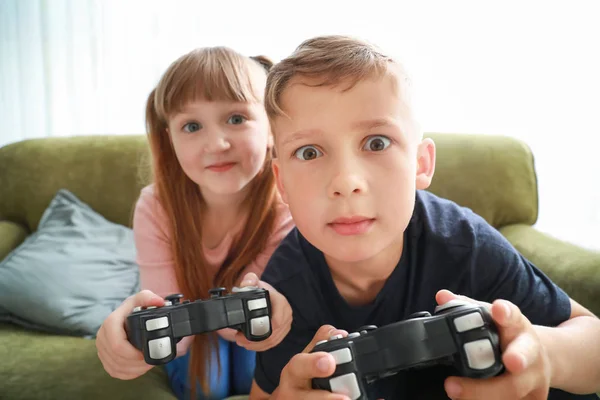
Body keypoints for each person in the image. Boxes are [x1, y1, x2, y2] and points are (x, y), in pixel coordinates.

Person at [248, 35, 600, 399]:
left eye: (376, 143)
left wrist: (542, 351)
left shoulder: (465, 246)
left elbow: (593, 342)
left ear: (421, 163)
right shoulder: (285, 287)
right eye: (309, 152)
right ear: (282, 184)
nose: (346, 182)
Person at [95, 46, 294, 400]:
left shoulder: (287, 207)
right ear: (168, 139)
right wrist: (130, 337)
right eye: (191, 126)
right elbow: (177, 334)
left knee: (255, 365)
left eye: (236, 118)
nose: (216, 144)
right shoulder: (156, 206)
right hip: (188, 329)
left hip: (248, 326)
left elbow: (258, 327)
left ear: (272, 129)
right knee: (208, 381)